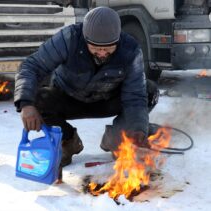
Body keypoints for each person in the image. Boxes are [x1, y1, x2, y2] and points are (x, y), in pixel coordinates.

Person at [14, 6, 159, 167]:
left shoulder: (130, 50)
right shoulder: (68, 38)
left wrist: (137, 132)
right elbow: (31, 67)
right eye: (96, 48)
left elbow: (135, 97)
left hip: (108, 100)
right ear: (85, 38)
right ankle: (67, 140)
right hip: (69, 98)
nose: (103, 53)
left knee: (149, 91)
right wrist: (25, 104)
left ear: (118, 40)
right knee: (37, 100)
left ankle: (116, 138)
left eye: (109, 48)